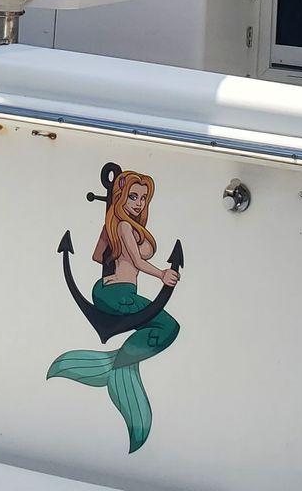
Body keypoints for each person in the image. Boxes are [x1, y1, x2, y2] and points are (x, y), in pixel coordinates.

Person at [46, 169, 181, 453]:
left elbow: (100, 255)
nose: (139, 203)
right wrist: (162, 274)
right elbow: (137, 261)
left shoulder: (122, 225)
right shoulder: (124, 227)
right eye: (132, 196)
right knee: (168, 327)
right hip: (118, 295)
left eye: (143, 198)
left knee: (163, 326)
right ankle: (120, 367)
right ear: (121, 197)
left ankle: (113, 365)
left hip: (110, 291)